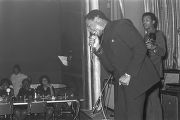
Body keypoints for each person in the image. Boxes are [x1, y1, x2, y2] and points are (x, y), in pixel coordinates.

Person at [85, 9, 160, 120]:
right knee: (120, 116)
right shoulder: (104, 39)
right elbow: (110, 67)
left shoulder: (120, 25)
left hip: (136, 80)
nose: (90, 30)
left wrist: (128, 74)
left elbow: (141, 48)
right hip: (121, 84)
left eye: (90, 26)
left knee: (133, 116)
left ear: (97, 19)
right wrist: (98, 48)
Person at [142, 12, 166, 120]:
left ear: (153, 22)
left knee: (154, 100)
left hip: (156, 73)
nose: (144, 22)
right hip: (147, 73)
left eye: (147, 20)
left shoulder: (159, 34)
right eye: (143, 20)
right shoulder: (145, 36)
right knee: (148, 101)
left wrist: (153, 47)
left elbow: (163, 52)